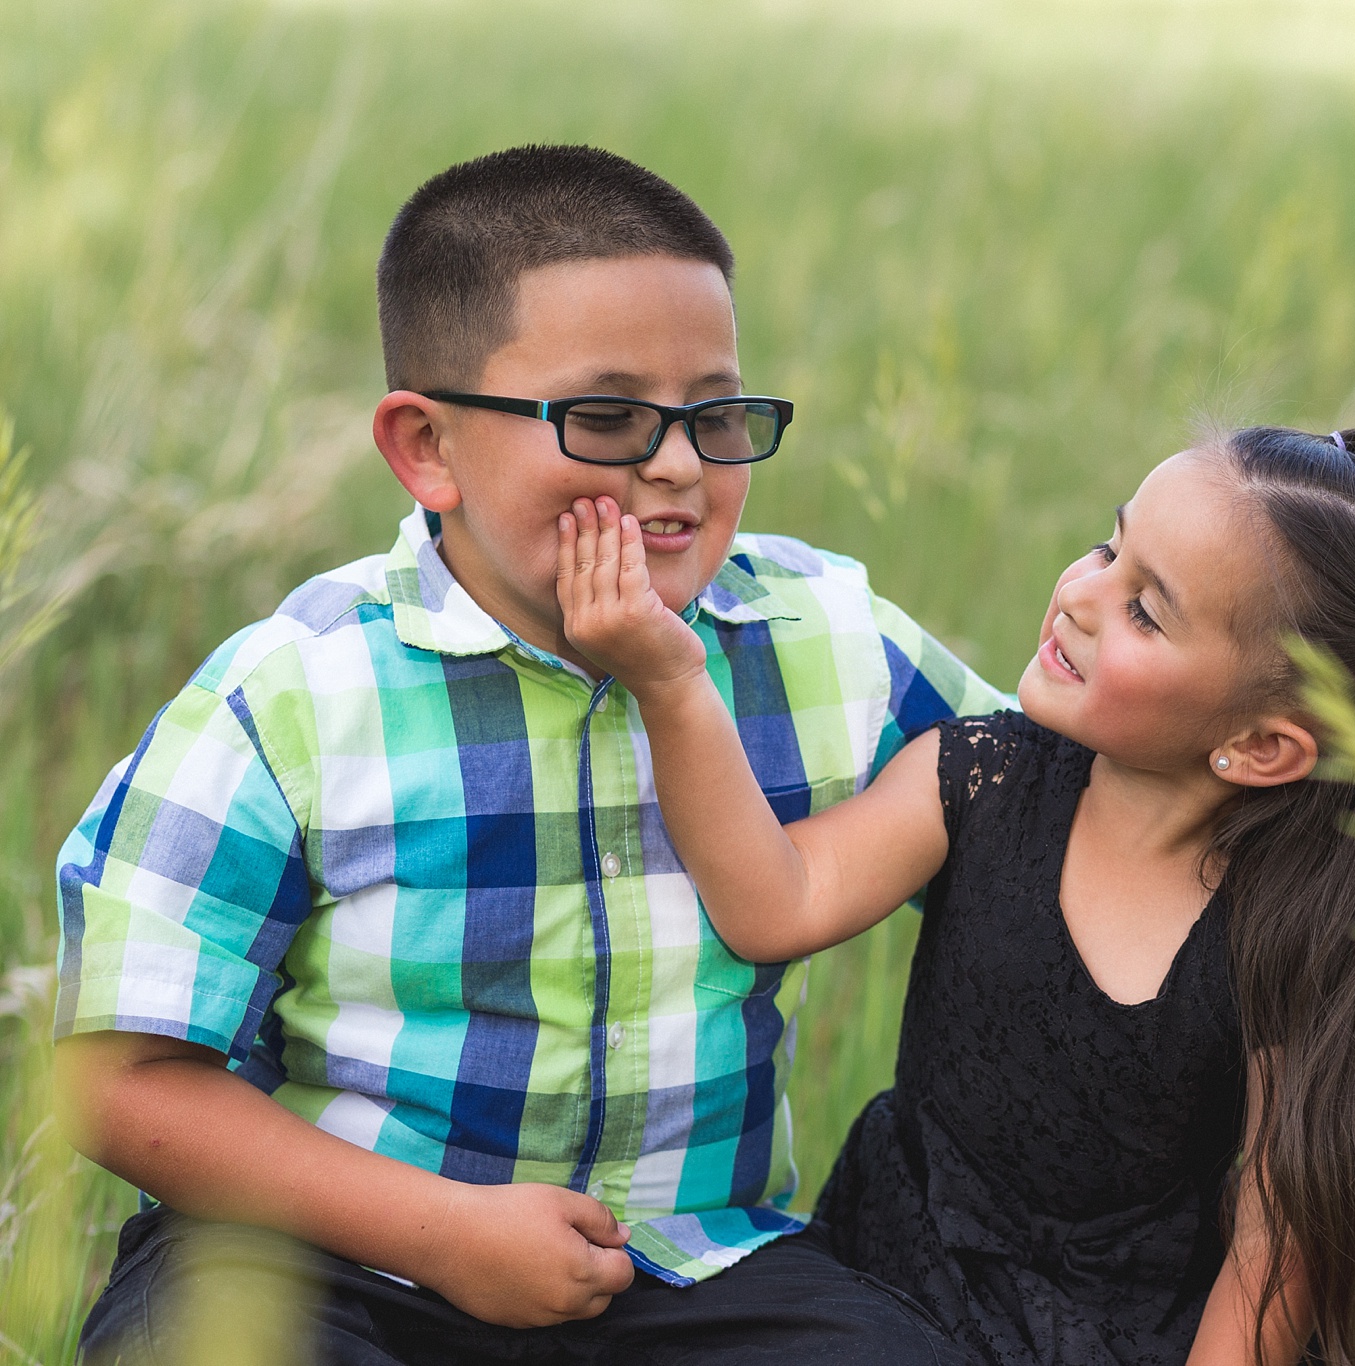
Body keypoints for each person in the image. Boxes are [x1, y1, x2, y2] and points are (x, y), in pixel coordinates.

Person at [52, 144, 1003, 1365]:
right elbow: (119, 1076)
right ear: (427, 448)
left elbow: (1040, 815)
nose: (674, 465)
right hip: (333, 1249)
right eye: (604, 417)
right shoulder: (295, 688)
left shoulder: (829, 640)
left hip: (695, 1258)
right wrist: (440, 1229)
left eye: (714, 416)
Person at [559, 424, 1355, 1365]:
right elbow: (776, 899)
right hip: (894, 1287)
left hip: (1134, 1332)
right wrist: (672, 683)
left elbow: (1273, 1241)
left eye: (1145, 609)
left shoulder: (1280, 933)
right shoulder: (979, 780)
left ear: (1260, 745)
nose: (1079, 594)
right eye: (1107, 546)